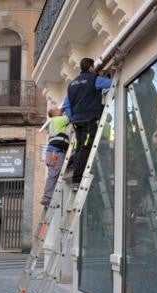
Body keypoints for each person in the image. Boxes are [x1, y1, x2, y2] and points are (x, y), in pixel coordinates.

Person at [62, 57, 113, 188]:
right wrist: (105, 76)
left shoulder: (72, 84)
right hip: (89, 119)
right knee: (86, 148)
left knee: (80, 147)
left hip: (77, 121)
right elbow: (111, 83)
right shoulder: (93, 79)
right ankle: (78, 178)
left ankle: (74, 172)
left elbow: (66, 105)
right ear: (91, 67)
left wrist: (72, 116)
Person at [40, 108, 71, 207]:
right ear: (54, 114)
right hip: (55, 153)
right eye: (58, 110)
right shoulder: (57, 120)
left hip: (55, 152)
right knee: (53, 175)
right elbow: (69, 118)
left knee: (54, 175)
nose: (60, 110)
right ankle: (47, 198)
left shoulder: (54, 122)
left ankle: (49, 198)